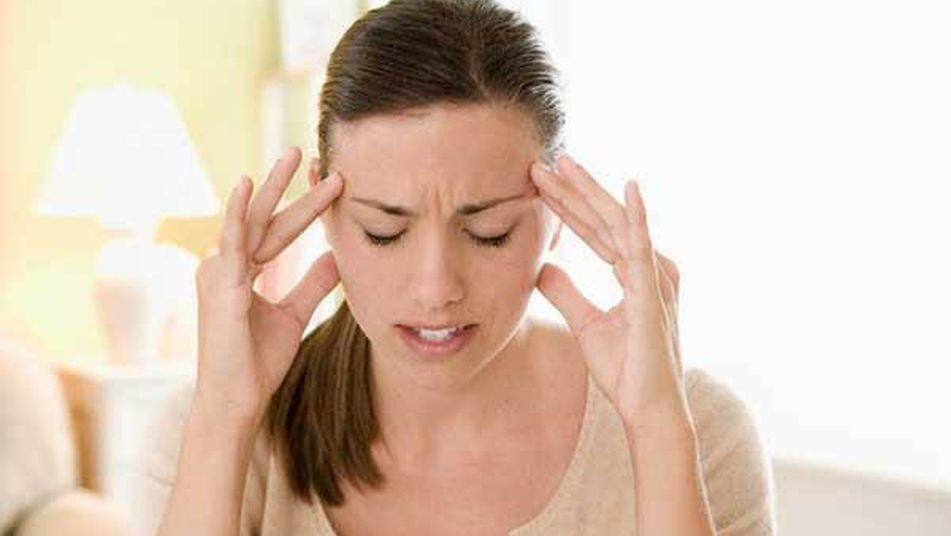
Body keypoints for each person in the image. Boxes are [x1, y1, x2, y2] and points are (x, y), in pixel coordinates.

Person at [146, 0, 776, 534]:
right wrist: (223, 418)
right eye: (384, 232)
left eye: (488, 233)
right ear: (324, 209)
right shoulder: (211, 430)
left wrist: (658, 429)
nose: (436, 289)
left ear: (559, 209)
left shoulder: (699, 428)